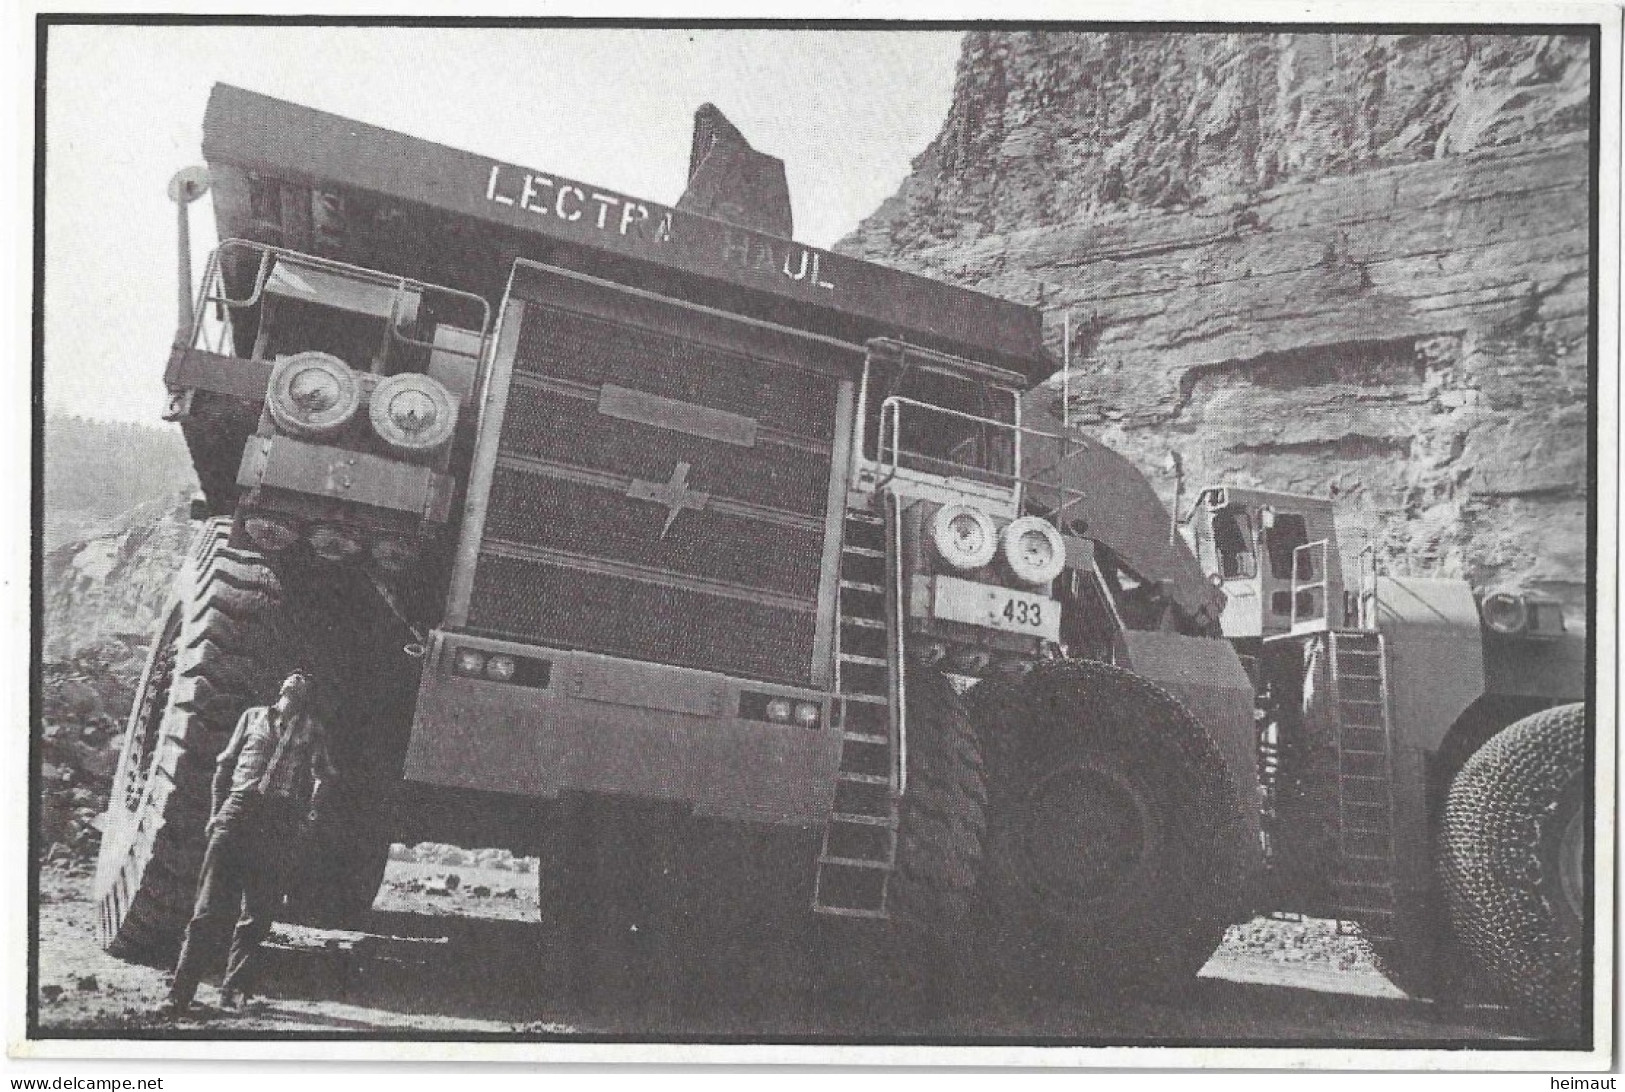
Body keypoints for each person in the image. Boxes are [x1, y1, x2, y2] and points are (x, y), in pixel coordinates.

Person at [160, 670, 337, 1015]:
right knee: (207, 910)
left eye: (303, 681)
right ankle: (179, 993)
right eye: (291, 678)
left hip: (279, 821)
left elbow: (324, 776)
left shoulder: (313, 730)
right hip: (238, 812)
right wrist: (216, 814)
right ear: (280, 688)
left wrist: (309, 818)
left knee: (257, 914)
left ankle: (234, 991)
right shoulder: (252, 717)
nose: (296, 680)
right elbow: (224, 766)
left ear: (306, 695)